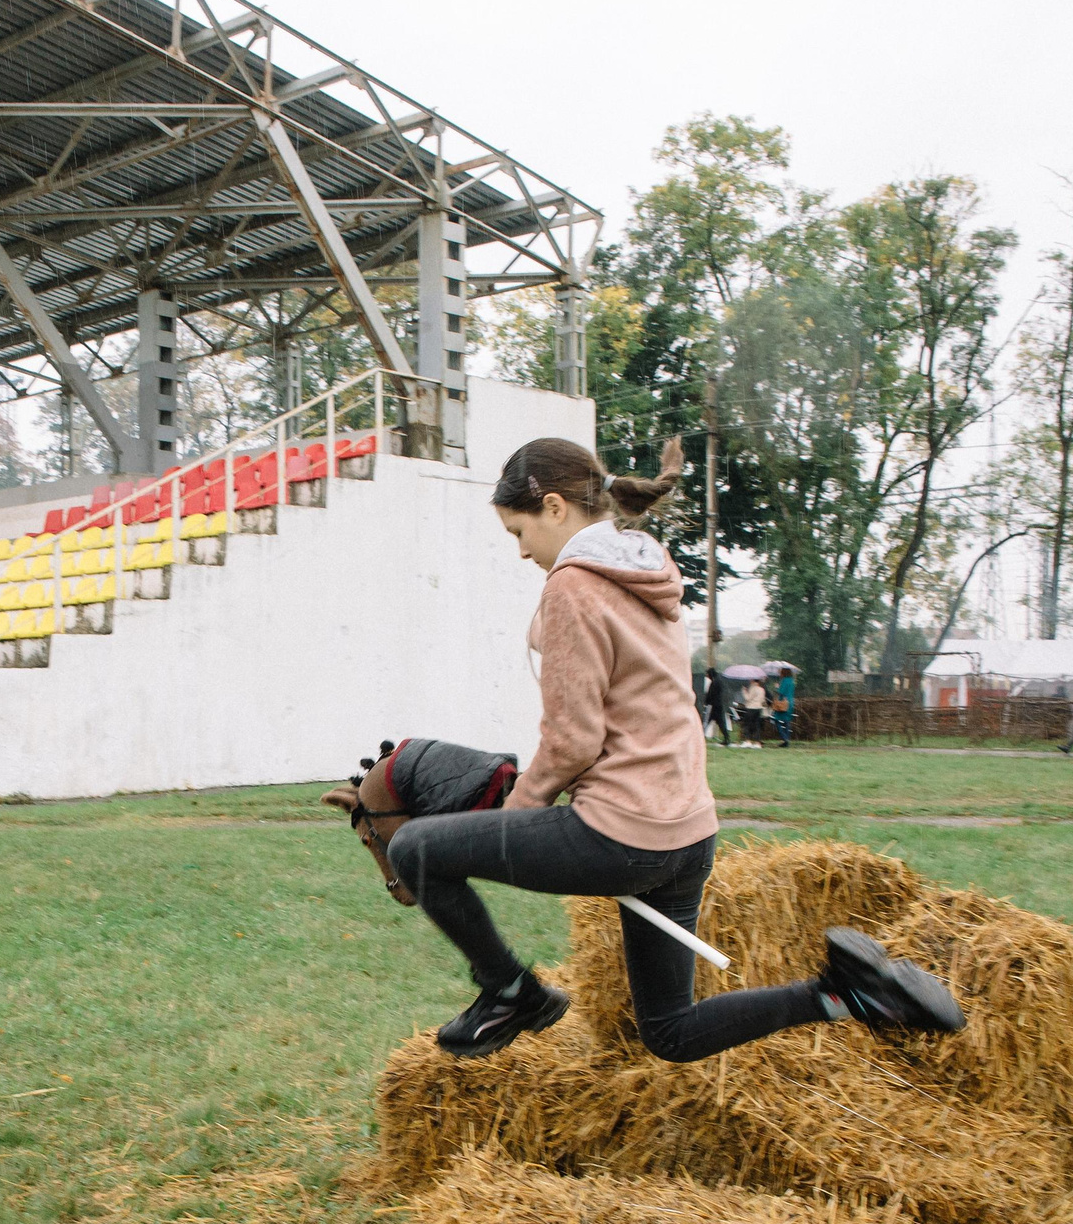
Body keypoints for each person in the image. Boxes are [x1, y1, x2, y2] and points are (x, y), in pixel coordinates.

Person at [384, 435, 967, 1061]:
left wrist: (519, 809)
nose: (522, 550)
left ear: (554, 507)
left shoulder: (571, 586)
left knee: (416, 849)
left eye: (518, 532)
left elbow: (573, 740)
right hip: (689, 834)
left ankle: (511, 994)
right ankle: (846, 995)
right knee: (670, 1032)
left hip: (622, 834)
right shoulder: (646, 569)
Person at [739, 675, 769, 745]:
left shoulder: (753, 688)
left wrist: (744, 691)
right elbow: (763, 700)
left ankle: (748, 741)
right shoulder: (762, 689)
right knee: (757, 725)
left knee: (747, 724)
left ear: (753, 680)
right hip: (759, 708)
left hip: (751, 708)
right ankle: (757, 742)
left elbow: (748, 698)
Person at [774, 667, 796, 748]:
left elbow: (781, 692)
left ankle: (784, 738)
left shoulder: (784, 680)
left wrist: (777, 687)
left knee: (777, 719)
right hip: (790, 702)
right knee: (786, 721)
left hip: (783, 703)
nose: (779, 673)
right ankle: (787, 739)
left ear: (784, 672)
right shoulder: (792, 681)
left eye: (780, 671)